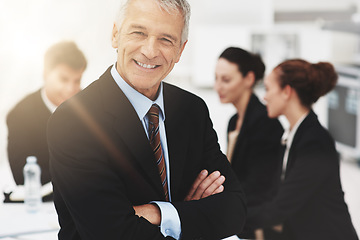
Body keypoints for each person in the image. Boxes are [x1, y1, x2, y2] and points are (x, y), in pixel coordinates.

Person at [47, 0, 247, 239]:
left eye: (166, 39)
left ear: (180, 50)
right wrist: (190, 214)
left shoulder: (192, 110)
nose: (150, 51)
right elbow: (111, 233)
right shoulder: (74, 121)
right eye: (139, 33)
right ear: (115, 35)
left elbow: (235, 210)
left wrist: (158, 213)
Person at [245, 59, 359, 239]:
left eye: (268, 89)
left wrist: (228, 219)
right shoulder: (294, 136)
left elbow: (281, 207)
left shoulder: (315, 142)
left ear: (286, 91)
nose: (264, 97)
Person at [214, 47, 283, 239]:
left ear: (249, 79)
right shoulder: (233, 121)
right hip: (239, 213)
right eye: (216, 78)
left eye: (226, 80)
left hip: (257, 222)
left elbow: (261, 189)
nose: (218, 87)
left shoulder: (266, 123)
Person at [6, 41, 86, 197]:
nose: (71, 89)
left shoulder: (90, 108)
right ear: (45, 74)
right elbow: (22, 176)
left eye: (77, 81)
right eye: (64, 79)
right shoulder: (19, 115)